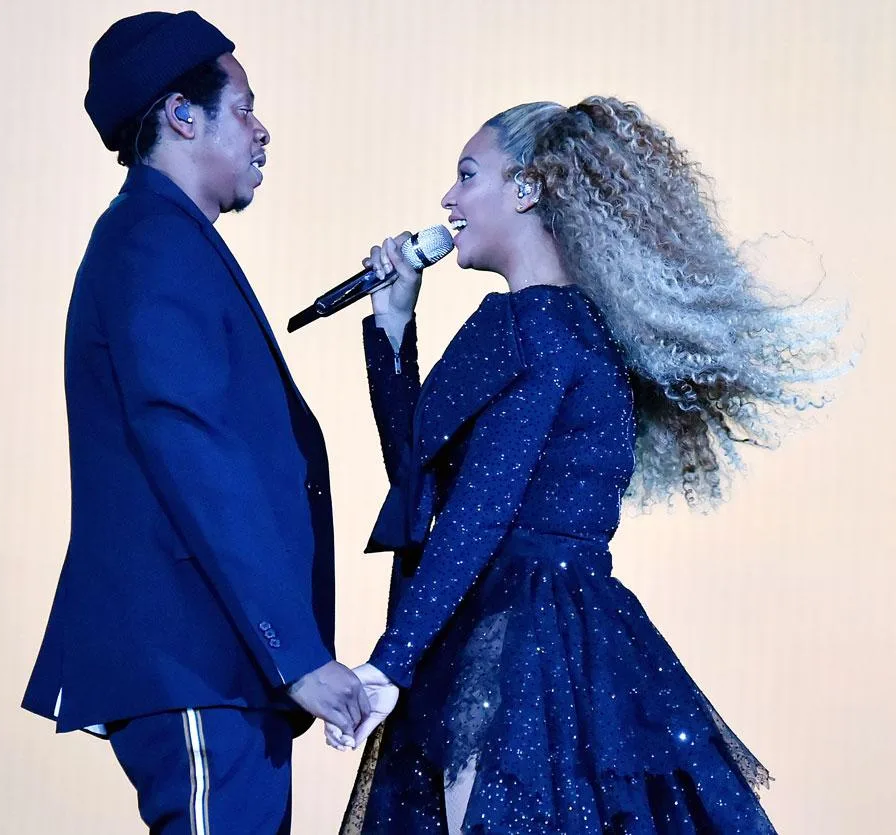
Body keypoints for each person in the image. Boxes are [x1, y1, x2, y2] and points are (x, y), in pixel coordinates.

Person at [331, 98, 844, 834]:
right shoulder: (585, 333)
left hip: (511, 644)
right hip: (578, 642)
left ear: (529, 187)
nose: (448, 200)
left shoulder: (531, 325)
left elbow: (474, 513)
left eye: (468, 174)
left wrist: (390, 663)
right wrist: (392, 327)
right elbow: (424, 478)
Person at [21, 11, 367, 834]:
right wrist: (298, 652)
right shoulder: (152, 244)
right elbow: (191, 449)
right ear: (183, 115)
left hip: (221, 668)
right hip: (196, 660)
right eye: (244, 107)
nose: (262, 130)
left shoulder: (165, 239)